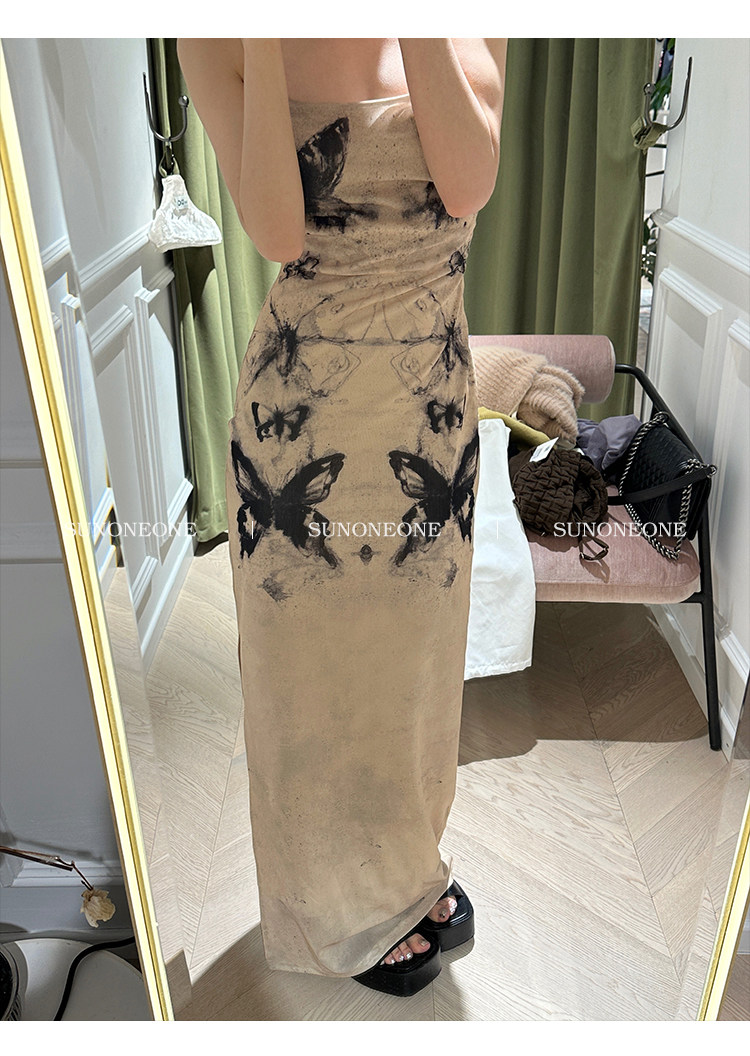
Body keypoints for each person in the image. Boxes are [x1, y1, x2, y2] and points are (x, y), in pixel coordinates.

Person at [176, 37, 506, 997]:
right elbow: (279, 235)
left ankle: (399, 877)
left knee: (412, 670)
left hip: (425, 410)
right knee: (307, 682)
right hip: (300, 419)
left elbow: (468, 185)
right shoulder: (215, 36)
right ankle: (330, 915)